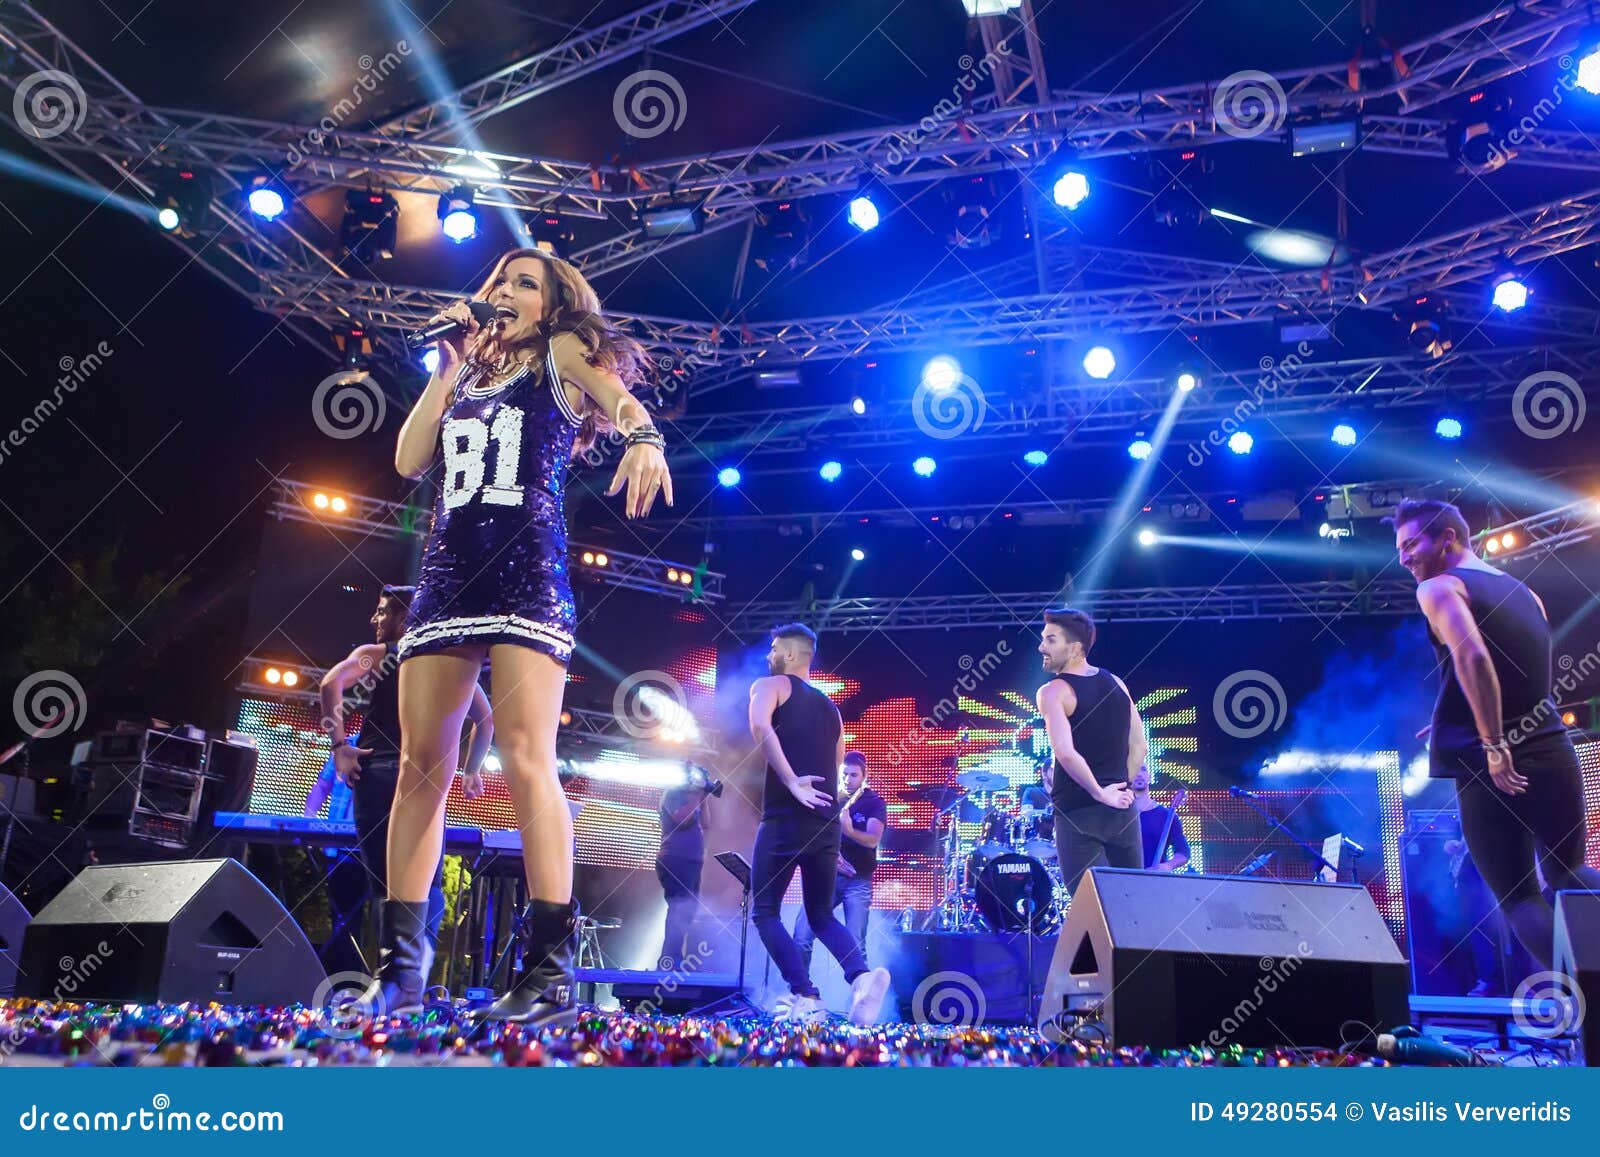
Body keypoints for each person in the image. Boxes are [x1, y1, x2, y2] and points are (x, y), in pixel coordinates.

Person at [365, 248, 672, 1023]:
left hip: (525, 574)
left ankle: (549, 969)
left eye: (524, 284)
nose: (505, 291)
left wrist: (645, 439)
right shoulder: (464, 369)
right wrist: (445, 367)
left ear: (552, 304)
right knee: (419, 766)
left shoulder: (561, 356)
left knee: (526, 757)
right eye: (499, 280)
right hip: (445, 576)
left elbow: (622, 400)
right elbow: (407, 460)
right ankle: (401, 968)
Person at [1392, 497, 1600, 968]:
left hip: (1494, 766)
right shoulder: (1526, 593)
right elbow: (1520, 673)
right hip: (1552, 748)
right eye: (1399, 548)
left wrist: (1493, 743)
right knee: (1570, 873)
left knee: (1520, 897)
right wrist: (1452, 713)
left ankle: (1593, 1003)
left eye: (1411, 544)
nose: (1403, 558)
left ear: (1448, 538)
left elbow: (1474, 658)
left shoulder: (1439, 588)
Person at [313, 585, 490, 986]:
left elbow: (329, 684)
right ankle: (412, 980)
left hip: (382, 774)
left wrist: (340, 746)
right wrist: (471, 769)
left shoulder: (382, 655)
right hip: (428, 780)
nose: (374, 620)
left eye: (381, 612)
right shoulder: (450, 661)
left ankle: (396, 979)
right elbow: (487, 719)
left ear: (405, 616)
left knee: (388, 884)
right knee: (426, 883)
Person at [749, 624, 890, 1024]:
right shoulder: (832, 709)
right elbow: (835, 765)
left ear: (792, 655)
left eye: (774, 648)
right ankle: (861, 978)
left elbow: (759, 728)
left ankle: (805, 994)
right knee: (821, 915)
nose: (769, 654)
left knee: (765, 912)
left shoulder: (770, 684)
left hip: (785, 816)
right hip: (825, 821)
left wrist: (792, 781)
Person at [1035, 608, 1148, 896]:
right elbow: (1140, 746)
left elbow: (1064, 751)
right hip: (1123, 813)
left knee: (1093, 911)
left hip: (1079, 816)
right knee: (1131, 907)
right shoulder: (1117, 683)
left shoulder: (1053, 691)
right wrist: (1118, 789)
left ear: (1074, 648)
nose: (1041, 647)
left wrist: (1099, 792)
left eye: (1050, 640)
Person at [794, 751, 886, 976]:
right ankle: (800, 993)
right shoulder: (828, 799)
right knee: (801, 936)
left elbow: (873, 839)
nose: (848, 779)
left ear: (864, 776)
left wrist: (850, 830)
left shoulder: (873, 803)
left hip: (858, 881)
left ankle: (860, 1001)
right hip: (825, 879)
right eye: (844, 774)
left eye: (854, 775)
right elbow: (808, 837)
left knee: (855, 944)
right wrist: (832, 856)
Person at [656, 775, 713, 970]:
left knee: (687, 912)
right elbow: (681, 820)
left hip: (692, 862)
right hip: (675, 859)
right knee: (678, 909)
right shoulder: (673, 793)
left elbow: (705, 823)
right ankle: (668, 962)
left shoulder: (694, 799)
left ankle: (674, 958)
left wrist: (704, 799)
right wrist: (697, 796)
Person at [1130, 764, 1189, 871]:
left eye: (1143, 769)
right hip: (1122, 880)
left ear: (1149, 776)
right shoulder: (1119, 814)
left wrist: (1168, 865)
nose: (1139, 774)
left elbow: (1183, 852)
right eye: (1134, 769)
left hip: (1155, 880)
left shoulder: (1166, 815)